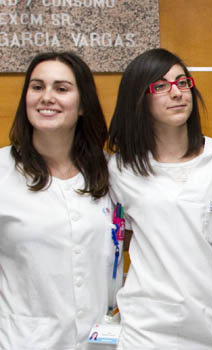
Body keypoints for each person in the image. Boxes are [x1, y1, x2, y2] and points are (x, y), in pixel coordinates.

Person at [106, 48, 212, 349]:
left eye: (183, 83)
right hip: (147, 329)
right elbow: (118, 236)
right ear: (139, 98)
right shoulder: (120, 170)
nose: (177, 93)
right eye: (161, 86)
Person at [0, 52, 119, 349]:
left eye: (61, 88)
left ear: (82, 105)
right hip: (22, 341)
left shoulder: (110, 174)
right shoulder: (3, 172)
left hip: (99, 342)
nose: (46, 97)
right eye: (37, 87)